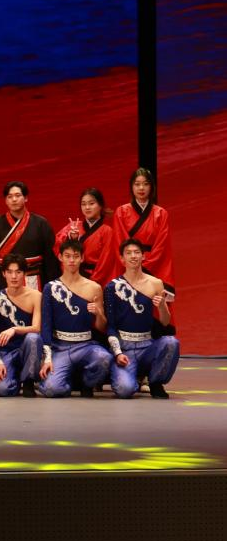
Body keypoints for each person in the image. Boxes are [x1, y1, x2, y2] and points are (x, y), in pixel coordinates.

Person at [104, 238, 179, 399]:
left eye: (137, 252)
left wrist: (162, 306)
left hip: (147, 345)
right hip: (124, 346)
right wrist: (117, 353)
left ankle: (155, 382)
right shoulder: (113, 287)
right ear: (122, 258)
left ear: (143, 256)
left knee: (171, 342)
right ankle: (130, 375)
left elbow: (165, 322)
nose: (133, 256)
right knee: (124, 390)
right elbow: (110, 326)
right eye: (128, 253)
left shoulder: (155, 283)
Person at [38, 240, 111, 398]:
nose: (71, 260)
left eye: (76, 256)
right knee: (51, 389)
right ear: (60, 257)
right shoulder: (51, 287)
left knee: (104, 358)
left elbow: (101, 327)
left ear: (82, 258)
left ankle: (87, 384)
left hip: (85, 345)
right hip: (60, 346)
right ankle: (69, 382)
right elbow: (46, 324)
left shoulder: (94, 288)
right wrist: (47, 357)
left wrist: (98, 313)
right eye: (68, 256)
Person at [110, 168, 174, 300]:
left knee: (156, 305)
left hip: (154, 268)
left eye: (145, 184)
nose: (141, 188)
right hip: (129, 266)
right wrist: (133, 262)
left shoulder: (161, 214)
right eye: (137, 184)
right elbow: (120, 242)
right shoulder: (121, 212)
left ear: (151, 187)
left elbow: (162, 246)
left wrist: (144, 266)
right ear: (131, 187)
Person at [0, 180, 58, 292]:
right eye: (10, 197)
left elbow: (50, 258)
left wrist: (51, 286)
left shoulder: (41, 223)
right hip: (3, 279)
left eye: (18, 195)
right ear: (6, 200)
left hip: (33, 278)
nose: (14, 199)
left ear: (26, 198)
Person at [0, 253, 44, 398]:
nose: (14, 276)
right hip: (6, 351)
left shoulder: (36, 296)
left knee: (33, 338)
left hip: (28, 349)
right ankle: (16, 376)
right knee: (3, 390)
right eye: (10, 272)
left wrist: (14, 329)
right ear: (3, 274)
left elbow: (37, 328)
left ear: (24, 274)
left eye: (18, 272)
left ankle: (29, 382)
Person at [55, 188, 121, 287]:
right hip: (72, 276)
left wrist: (91, 283)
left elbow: (105, 263)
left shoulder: (107, 231)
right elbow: (58, 248)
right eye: (83, 204)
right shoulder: (73, 226)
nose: (87, 207)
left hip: (94, 279)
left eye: (91, 203)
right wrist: (71, 239)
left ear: (100, 205)